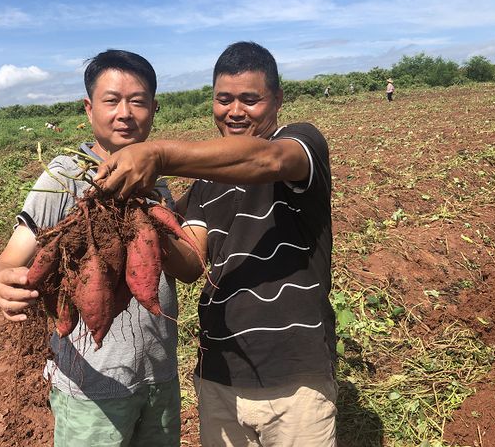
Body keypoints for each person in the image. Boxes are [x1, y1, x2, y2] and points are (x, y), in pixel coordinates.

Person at [94, 41, 338, 446]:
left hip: (295, 375)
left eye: (250, 99)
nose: (235, 111)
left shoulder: (299, 144)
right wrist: (141, 221)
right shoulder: (206, 184)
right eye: (224, 99)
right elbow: (191, 264)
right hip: (220, 374)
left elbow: (267, 160)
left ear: (277, 99)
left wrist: (158, 154)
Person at [0, 49, 200, 447]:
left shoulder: (155, 175)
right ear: (89, 108)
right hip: (92, 388)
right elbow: (6, 262)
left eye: (137, 102)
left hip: (160, 375)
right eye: (112, 101)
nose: (125, 113)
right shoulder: (63, 176)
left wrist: (151, 215)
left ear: (154, 108)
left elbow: (183, 269)